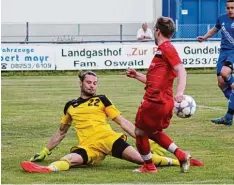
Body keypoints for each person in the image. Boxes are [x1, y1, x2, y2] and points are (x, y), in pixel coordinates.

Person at [21, 71, 202, 173]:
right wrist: (44, 151)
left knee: (141, 158)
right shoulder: (70, 105)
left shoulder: (102, 100)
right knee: (69, 159)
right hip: (88, 146)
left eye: (95, 83)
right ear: (82, 84)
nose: (92, 85)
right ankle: (44, 168)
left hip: (109, 138)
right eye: (89, 82)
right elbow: (61, 132)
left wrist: (148, 140)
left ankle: (183, 159)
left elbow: (122, 122)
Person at [126, 16, 193, 173]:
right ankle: (181, 155)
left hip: (155, 101)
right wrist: (136, 75)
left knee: (139, 132)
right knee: (153, 132)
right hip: (163, 101)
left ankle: (149, 166)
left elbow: (182, 70)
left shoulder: (167, 48)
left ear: (156, 31)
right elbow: (155, 81)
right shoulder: (162, 51)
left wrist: (180, 92)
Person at [197, 0, 234, 126]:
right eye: (228, 8)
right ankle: (228, 117)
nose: (230, 10)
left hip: (233, 52)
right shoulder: (221, 18)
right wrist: (205, 37)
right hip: (223, 52)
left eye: (233, 8)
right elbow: (215, 29)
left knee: (225, 73)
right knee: (221, 83)